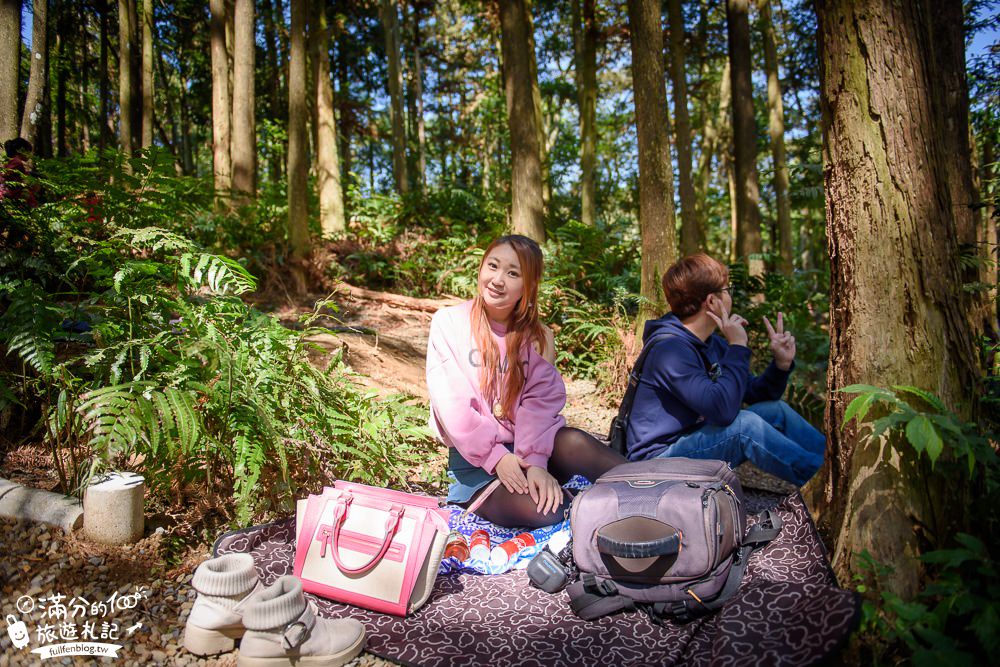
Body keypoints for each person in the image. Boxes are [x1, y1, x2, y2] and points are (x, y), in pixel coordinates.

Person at [427, 234, 627, 528]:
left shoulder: (538, 336)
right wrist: (497, 458)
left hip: (531, 447)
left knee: (575, 442)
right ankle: (604, 516)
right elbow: (453, 405)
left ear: (528, 286)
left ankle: (658, 490)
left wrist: (535, 463)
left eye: (513, 273)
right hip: (477, 464)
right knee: (546, 511)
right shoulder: (449, 322)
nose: (497, 280)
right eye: (492, 266)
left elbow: (539, 405)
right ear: (481, 268)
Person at [625, 253, 825, 487]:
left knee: (775, 411)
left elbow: (754, 394)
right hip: (658, 461)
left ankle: (833, 463)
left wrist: (780, 365)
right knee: (744, 426)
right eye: (727, 290)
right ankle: (824, 481)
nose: (731, 296)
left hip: (694, 438)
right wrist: (738, 346)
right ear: (712, 301)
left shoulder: (711, 343)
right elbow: (723, 412)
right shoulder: (670, 351)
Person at [0, 138, 40, 207]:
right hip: (10, 194)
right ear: (21, 150)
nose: (30, 154)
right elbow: (5, 174)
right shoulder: (17, 162)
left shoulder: (12, 161)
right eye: (28, 151)